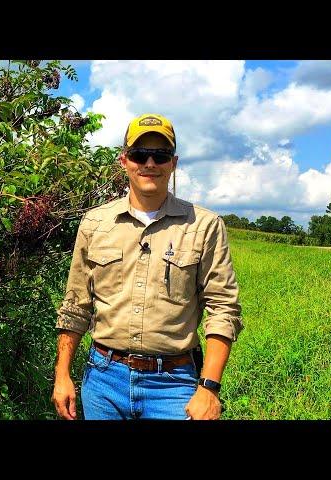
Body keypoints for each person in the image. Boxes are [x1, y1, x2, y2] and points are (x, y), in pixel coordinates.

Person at [51, 113, 243, 420]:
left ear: (173, 163)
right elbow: (75, 305)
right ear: (125, 161)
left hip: (173, 384)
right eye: (141, 155)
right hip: (102, 379)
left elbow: (224, 309)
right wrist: (62, 375)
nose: (150, 164)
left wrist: (208, 388)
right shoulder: (95, 223)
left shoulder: (204, 225)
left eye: (160, 155)